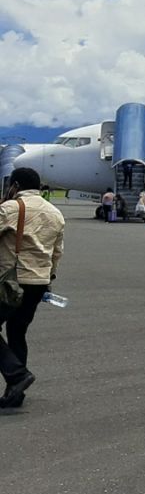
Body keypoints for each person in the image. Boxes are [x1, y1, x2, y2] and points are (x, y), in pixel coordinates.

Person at [0, 167, 66, 408]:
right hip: (38, 283)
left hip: (11, 281)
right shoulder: (55, 213)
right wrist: (49, 278)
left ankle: (17, 375)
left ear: (15, 186)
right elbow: (57, 253)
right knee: (18, 333)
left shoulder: (11, 208)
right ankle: (15, 393)